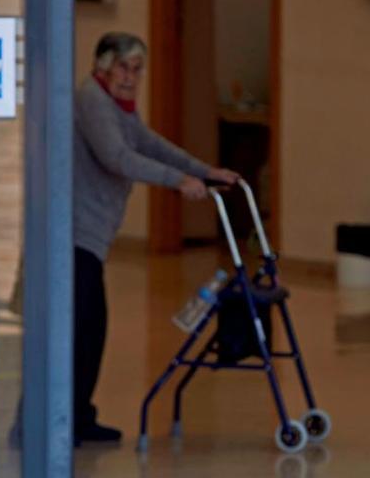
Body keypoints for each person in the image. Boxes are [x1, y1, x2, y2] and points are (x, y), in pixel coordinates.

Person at [72, 32, 239, 443]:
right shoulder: (92, 100)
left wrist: (204, 172)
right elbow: (118, 157)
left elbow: (150, 144)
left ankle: (77, 415)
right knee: (85, 327)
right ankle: (70, 417)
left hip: (91, 234)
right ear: (103, 68)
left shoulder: (118, 107)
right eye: (123, 68)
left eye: (137, 69)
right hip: (74, 232)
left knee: (89, 328)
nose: (131, 77)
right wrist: (179, 181)